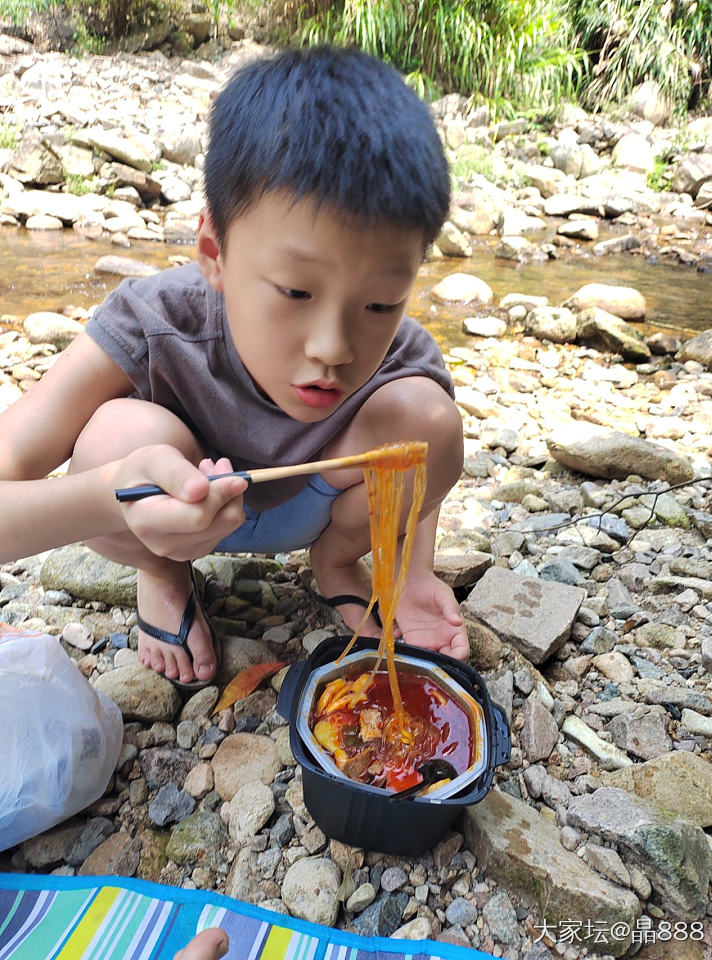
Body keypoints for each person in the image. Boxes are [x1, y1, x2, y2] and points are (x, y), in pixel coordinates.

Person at [0, 46, 468, 689]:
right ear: (214, 253)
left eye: (380, 303)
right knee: (120, 434)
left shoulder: (399, 356)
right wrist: (111, 493)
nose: (334, 347)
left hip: (316, 510)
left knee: (428, 422)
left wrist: (413, 578)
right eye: (296, 293)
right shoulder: (153, 322)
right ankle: (163, 576)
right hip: (163, 520)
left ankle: (336, 566)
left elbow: (421, 483)